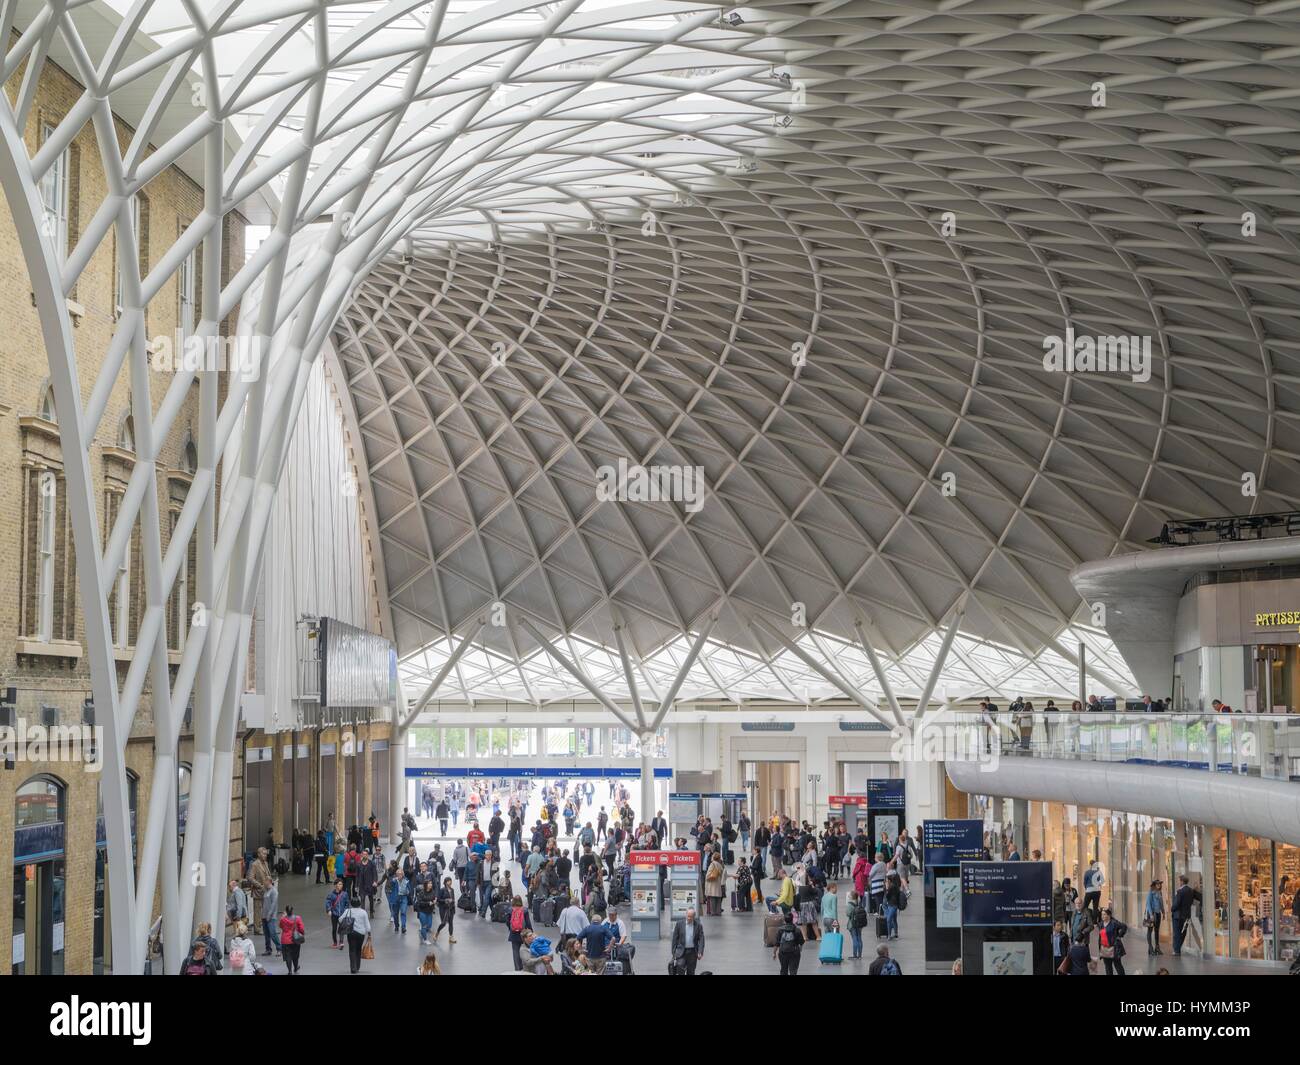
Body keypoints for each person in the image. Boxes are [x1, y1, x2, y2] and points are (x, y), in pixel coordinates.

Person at [341, 894, 371, 974]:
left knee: (352, 950)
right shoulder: (363, 912)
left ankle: (353, 968)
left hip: (351, 933)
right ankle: (357, 967)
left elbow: (340, 919)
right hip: (361, 934)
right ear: (360, 903)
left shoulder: (348, 911)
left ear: (351, 904)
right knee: (358, 949)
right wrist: (369, 933)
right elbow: (367, 925)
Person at [670, 907, 705, 974]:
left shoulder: (698, 926)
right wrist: (674, 952)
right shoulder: (679, 924)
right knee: (680, 966)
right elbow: (674, 939)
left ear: (694, 917)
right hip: (681, 951)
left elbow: (701, 939)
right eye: (688, 916)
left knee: (691, 971)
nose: (689, 918)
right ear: (686, 915)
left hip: (692, 952)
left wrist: (700, 951)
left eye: (691, 917)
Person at [1171, 874, 1199, 957]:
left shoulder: (1180, 891)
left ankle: (1176, 950)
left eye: (1179, 881)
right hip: (1186, 916)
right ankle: (1177, 949)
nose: (1179, 882)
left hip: (1177, 916)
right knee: (1183, 933)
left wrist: (1172, 909)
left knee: (1177, 933)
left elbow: (1176, 904)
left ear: (1182, 881)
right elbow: (1199, 897)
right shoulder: (1191, 891)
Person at [1098, 906, 1128, 975]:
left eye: (1104, 914)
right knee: (1108, 967)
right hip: (1104, 948)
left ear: (1109, 915)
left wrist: (1119, 936)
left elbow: (1124, 927)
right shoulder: (1101, 924)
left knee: (1117, 965)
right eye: (1102, 914)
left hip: (1114, 948)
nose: (1102, 916)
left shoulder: (1114, 923)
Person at [507, 895, 533, 971]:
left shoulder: (510, 910)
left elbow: (508, 922)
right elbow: (528, 923)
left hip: (513, 934)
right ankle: (524, 969)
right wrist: (531, 932)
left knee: (515, 953)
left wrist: (510, 929)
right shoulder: (524, 910)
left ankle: (517, 969)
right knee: (525, 951)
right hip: (524, 935)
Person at [278, 905, 305, 974]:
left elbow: (280, 926)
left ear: (286, 911)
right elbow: (301, 929)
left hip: (285, 940)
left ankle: (289, 971)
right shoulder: (297, 918)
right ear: (292, 911)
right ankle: (296, 968)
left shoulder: (283, 919)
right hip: (295, 940)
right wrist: (302, 933)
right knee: (295, 955)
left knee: (288, 956)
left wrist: (283, 917)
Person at [1145, 879, 1165, 956]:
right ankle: (1150, 948)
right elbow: (1148, 904)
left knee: (1157, 931)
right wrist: (1151, 915)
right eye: (1157, 884)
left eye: (1160, 884)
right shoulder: (1151, 892)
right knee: (1150, 930)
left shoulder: (1160, 892)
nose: (1159, 885)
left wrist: (1163, 912)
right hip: (1151, 914)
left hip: (1158, 913)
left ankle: (1157, 947)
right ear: (1154, 885)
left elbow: (1161, 903)